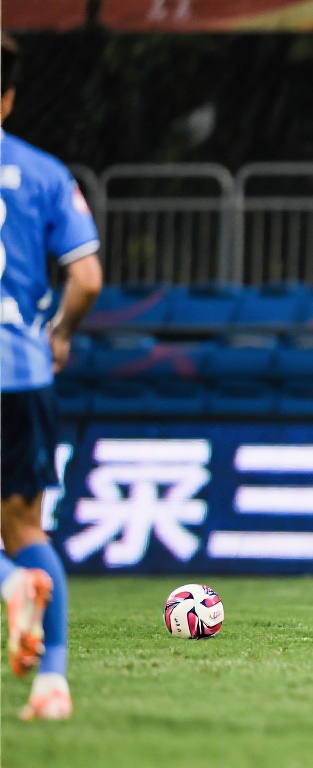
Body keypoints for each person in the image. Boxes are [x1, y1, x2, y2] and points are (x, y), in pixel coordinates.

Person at [0, 34, 103, 719]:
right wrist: (58, 333)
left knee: (13, 553)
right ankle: (53, 684)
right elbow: (86, 277)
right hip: (22, 371)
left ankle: (10, 585)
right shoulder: (43, 172)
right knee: (26, 526)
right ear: (7, 97)